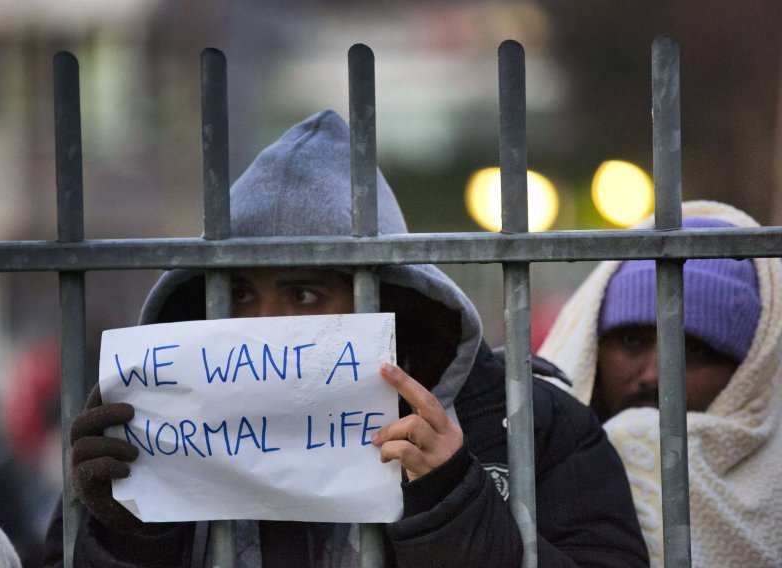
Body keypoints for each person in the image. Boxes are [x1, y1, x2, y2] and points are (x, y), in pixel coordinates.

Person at [43, 110, 647, 567]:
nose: (263, 325)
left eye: (304, 294)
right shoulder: (146, 445)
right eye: (240, 295)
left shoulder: (527, 424)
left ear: (391, 301)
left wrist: (452, 504)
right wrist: (123, 533)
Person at [538, 200, 782, 567]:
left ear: (750, 372)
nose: (654, 375)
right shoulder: (522, 466)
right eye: (632, 341)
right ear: (593, 346)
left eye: (694, 349)